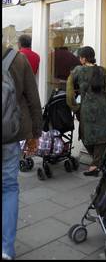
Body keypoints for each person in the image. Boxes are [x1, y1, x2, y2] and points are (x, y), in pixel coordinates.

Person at [2, 43, 43, 260]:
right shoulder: (18, 59)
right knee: (9, 188)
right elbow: (32, 97)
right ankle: (6, 249)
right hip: (10, 134)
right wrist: (35, 133)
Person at [66, 46, 106, 176]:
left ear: (84, 58)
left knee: (85, 136)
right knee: (101, 138)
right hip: (102, 108)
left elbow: (69, 92)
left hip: (86, 109)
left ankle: (95, 165)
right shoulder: (103, 71)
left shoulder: (77, 71)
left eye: (80, 57)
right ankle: (98, 163)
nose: (79, 59)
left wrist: (74, 106)